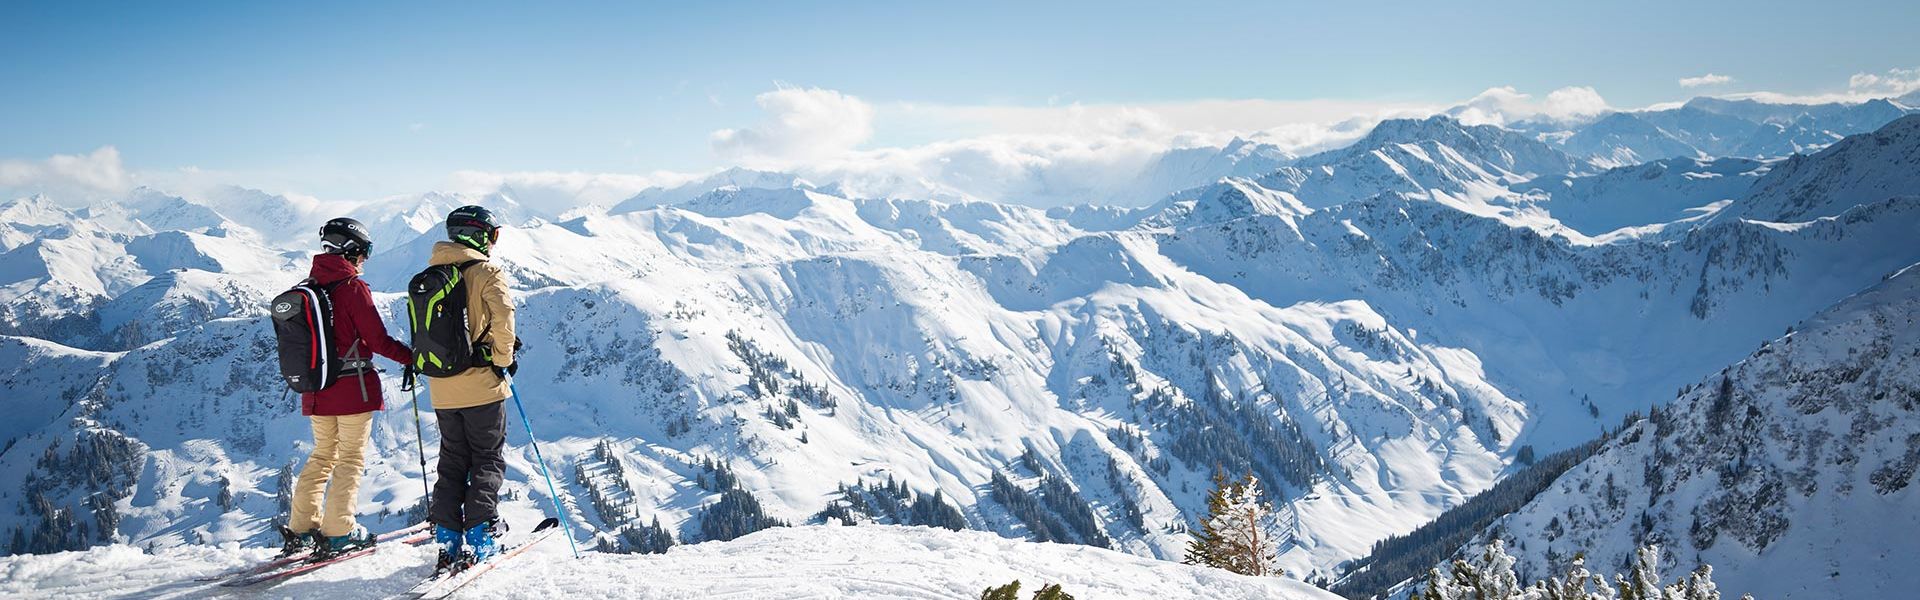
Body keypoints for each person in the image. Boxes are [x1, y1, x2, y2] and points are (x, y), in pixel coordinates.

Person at [281, 217, 413, 558]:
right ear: (352, 250)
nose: (365, 259)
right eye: (365, 251)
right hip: (352, 388)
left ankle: (301, 529)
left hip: (316, 388)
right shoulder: (352, 288)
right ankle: (339, 531)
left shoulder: (310, 286)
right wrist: (410, 357)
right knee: (350, 458)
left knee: (322, 456)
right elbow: (377, 339)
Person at [422, 205, 518, 569]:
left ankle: (447, 535)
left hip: (442, 389)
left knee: (452, 461)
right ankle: (481, 530)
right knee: (487, 457)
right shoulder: (486, 271)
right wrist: (503, 360)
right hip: (481, 386)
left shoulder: (431, 273)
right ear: (480, 235)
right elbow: (504, 319)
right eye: (492, 236)